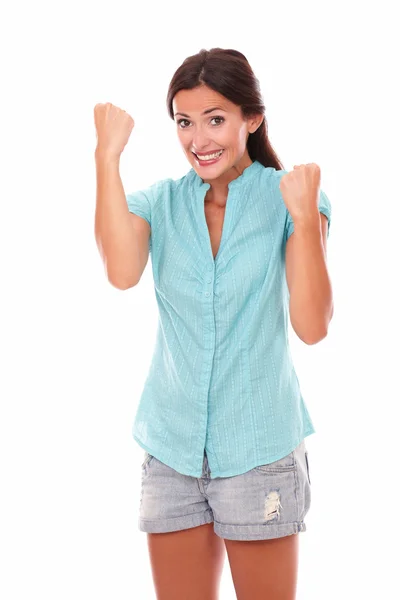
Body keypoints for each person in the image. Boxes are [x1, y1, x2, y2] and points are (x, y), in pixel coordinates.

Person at [94, 47, 333, 600]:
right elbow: (122, 273)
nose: (198, 140)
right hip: (172, 450)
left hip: (259, 450)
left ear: (253, 118)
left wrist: (302, 217)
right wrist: (107, 157)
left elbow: (313, 325)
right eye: (184, 122)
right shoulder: (160, 203)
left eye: (216, 119)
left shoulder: (291, 200)